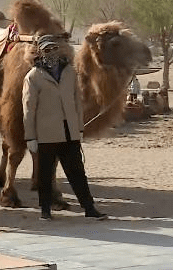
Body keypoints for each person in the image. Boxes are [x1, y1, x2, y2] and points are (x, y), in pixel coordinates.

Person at [23, 34, 107, 221]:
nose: (51, 53)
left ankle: (89, 208)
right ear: (40, 52)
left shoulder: (69, 72)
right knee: (45, 174)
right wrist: (31, 137)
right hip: (46, 134)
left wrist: (79, 128)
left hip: (69, 132)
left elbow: (77, 102)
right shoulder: (34, 77)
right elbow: (28, 109)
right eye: (47, 50)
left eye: (54, 48)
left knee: (77, 172)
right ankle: (45, 209)